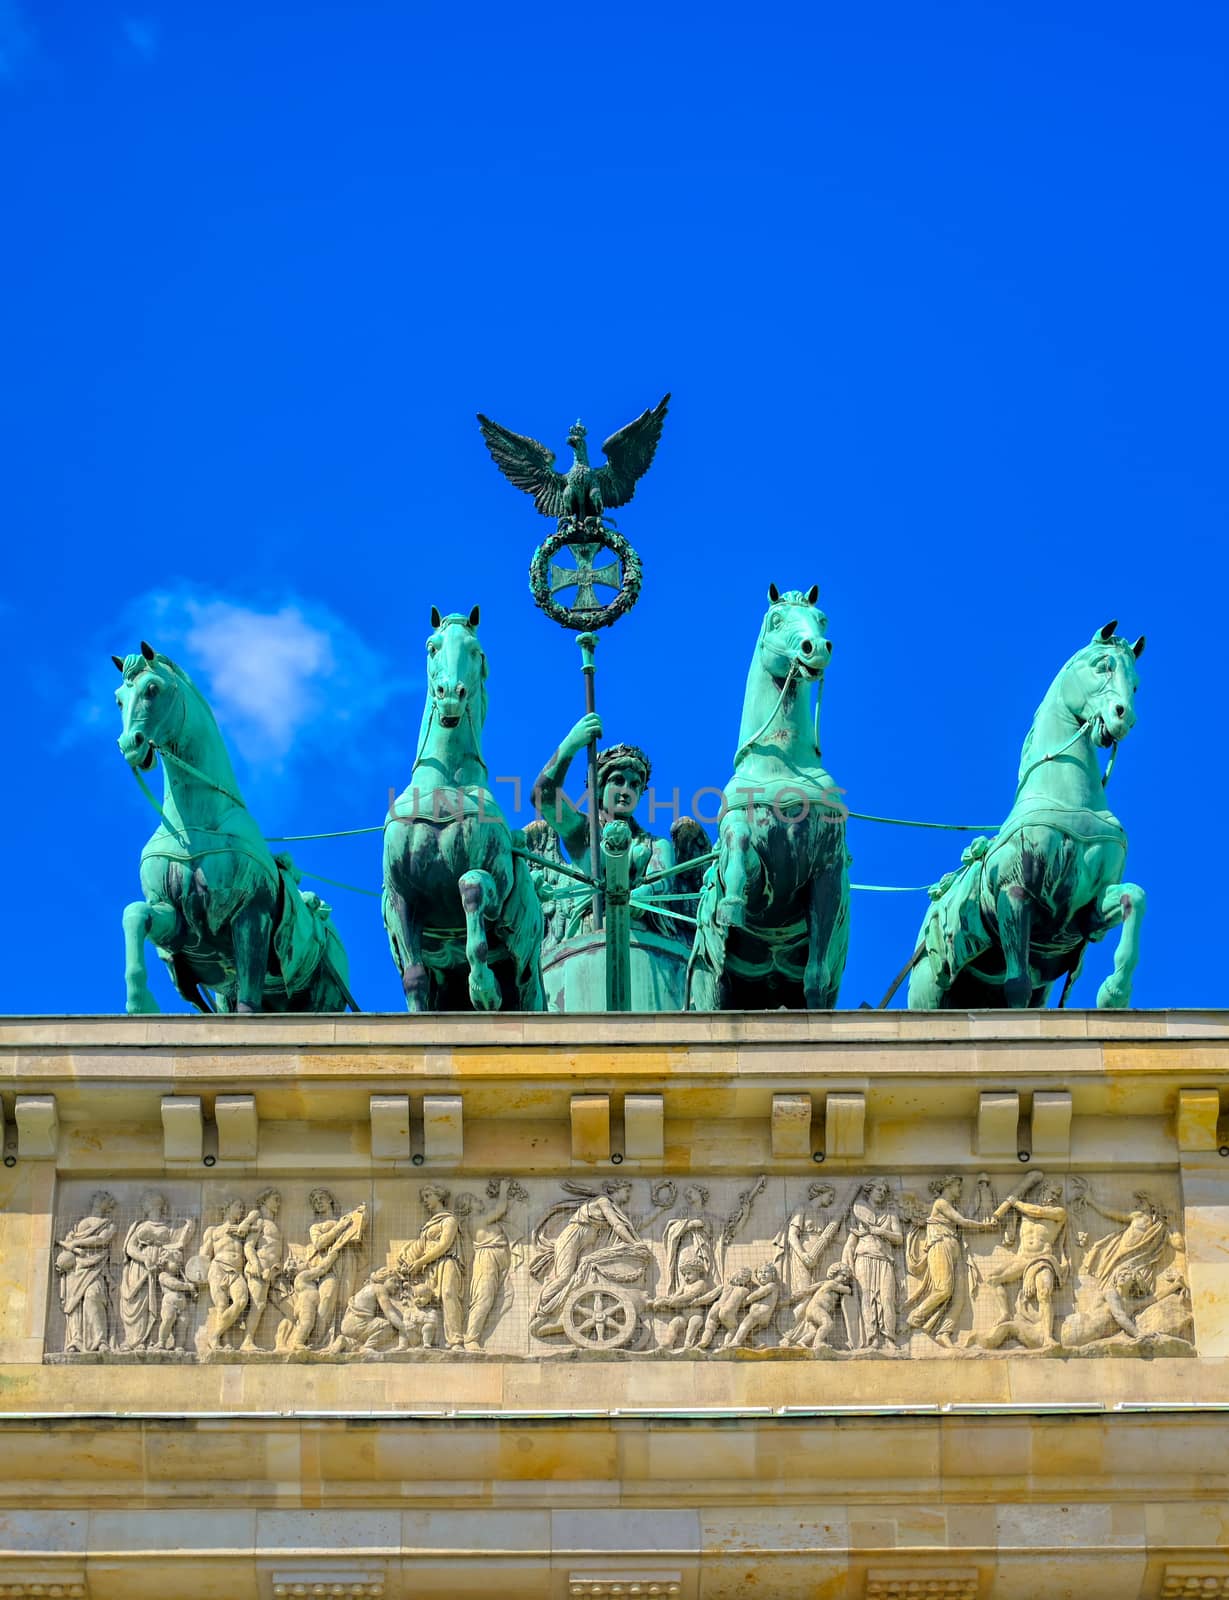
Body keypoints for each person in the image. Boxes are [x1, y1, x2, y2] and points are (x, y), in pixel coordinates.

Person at [904, 1175, 1000, 1347]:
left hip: (955, 1249)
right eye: (957, 1186)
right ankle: (914, 1318)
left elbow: (965, 1218)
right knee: (943, 1290)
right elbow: (961, 1221)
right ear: (947, 1186)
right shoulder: (941, 1203)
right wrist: (984, 1226)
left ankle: (944, 1333)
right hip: (940, 1247)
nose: (960, 1190)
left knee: (959, 1297)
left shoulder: (952, 1205)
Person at [398, 1184, 466, 1350]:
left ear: (439, 1196)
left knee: (449, 1295)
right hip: (430, 1267)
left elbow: (444, 1245)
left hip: (447, 1262)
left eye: (428, 1196)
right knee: (426, 1301)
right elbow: (420, 1247)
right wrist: (408, 1260)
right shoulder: (428, 1225)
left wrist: (420, 1262)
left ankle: (455, 1340)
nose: (425, 1201)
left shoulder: (449, 1220)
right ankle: (427, 1341)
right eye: (423, 1198)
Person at [841, 1180, 903, 1350]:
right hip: (864, 1257)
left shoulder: (890, 1215)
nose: (882, 1192)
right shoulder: (859, 1212)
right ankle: (871, 1338)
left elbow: (899, 1238)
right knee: (867, 1299)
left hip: (884, 1259)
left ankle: (889, 1338)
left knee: (887, 1298)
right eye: (878, 1189)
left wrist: (882, 1231)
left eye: (884, 1190)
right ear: (869, 1191)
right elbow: (852, 1240)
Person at [57, 1191, 118, 1354]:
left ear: (107, 1205)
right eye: (98, 1197)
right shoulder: (79, 1224)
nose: (99, 1199)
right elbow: (68, 1243)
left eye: (104, 1198)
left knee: (93, 1297)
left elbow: (101, 1240)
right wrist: (71, 1245)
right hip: (77, 1267)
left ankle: (100, 1340)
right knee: (75, 1303)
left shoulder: (109, 1225)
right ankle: (75, 1340)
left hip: (96, 1267)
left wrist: (76, 1242)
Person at [199, 1197, 252, 1352]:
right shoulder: (214, 1231)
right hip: (218, 1268)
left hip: (236, 1271)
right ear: (227, 1207)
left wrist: (246, 1224)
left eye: (243, 1207)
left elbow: (255, 1215)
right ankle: (224, 1341)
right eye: (238, 1206)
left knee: (241, 1300)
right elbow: (204, 1254)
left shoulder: (243, 1229)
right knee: (222, 1305)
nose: (241, 1210)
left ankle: (215, 1334)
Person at [240, 1188, 288, 1353]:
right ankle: (247, 1341)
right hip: (259, 1269)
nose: (278, 1203)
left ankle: (283, 1343)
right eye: (275, 1199)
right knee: (258, 1305)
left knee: (288, 1308)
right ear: (264, 1201)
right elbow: (248, 1246)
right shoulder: (260, 1222)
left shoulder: (272, 1224)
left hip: (273, 1272)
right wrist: (256, 1266)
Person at [647, 1259, 721, 1350]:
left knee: (693, 1324)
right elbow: (675, 1295)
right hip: (683, 1316)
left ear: (697, 1272)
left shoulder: (701, 1283)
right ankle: (669, 1342)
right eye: (684, 1274)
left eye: (689, 1273)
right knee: (674, 1323)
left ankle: (688, 1343)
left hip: (696, 1314)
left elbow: (690, 1295)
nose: (686, 1277)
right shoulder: (684, 1285)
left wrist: (672, 1301)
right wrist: (663, 1300)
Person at [156, 1246, 197, 1351]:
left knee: (183, 1324)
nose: (179, 1265)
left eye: (180, 1263)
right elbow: (174, 1284)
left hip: (182, 1306)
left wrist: (192, 1292)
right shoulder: (163, 1275)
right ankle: (161, 1342)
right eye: (176, 1262)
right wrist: (187, 1286)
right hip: (170, 1304)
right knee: (168, 1319)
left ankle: (179, 1345)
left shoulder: (181, 1278)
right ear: (165, 1262)